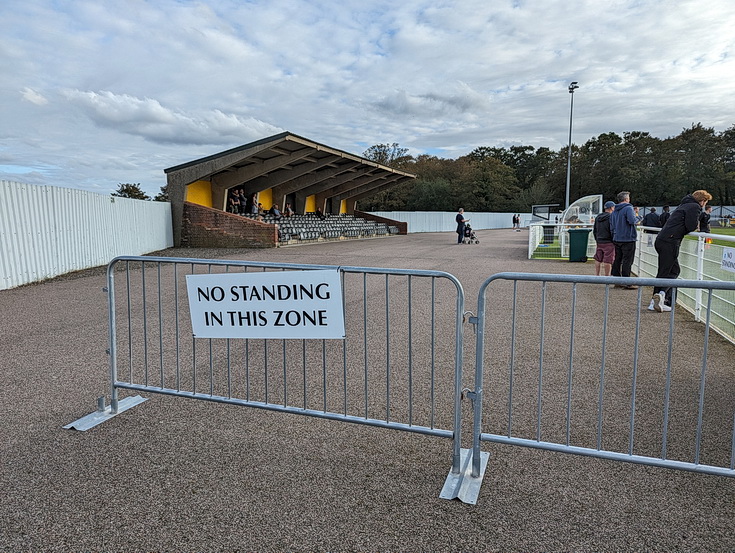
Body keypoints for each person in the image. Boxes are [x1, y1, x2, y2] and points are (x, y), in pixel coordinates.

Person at [650, 190, 712, 312]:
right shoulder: (694, 207)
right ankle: (659, 296)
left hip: (663, 239)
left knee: (670, 270)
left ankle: (661, 298)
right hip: (670, 241)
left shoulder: (684, 205)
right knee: (669, 271)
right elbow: (690, 225)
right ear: (702, 201)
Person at [610, 191, 638, 288]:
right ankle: (627, 282)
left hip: (617, 238)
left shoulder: (614, 210)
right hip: (628, 238)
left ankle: (617, 280)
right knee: (627, 260)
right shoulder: (628, 208)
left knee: (618, 259)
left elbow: (612, 225)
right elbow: (632, 221)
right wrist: (639, 218)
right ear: (626, 199)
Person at [593, 201, 616, 276]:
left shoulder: (598, 217)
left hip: (599, 240)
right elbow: (612, 229)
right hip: (609, 241)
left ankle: (597, 275)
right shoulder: (611, 217)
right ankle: (607, 276)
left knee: (598, 258)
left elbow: (595, 230)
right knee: (608, 260)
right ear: (611, 208)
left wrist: (597, 239)